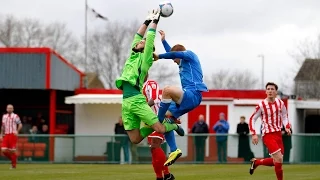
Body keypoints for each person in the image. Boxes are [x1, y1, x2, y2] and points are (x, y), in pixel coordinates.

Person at [115, 9, 183, 145]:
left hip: (136, 99)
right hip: (126, 101)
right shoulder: (133, 54)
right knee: (134, 139)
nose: (140, 41)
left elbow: (150, 37)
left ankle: (174, 126)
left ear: (148, 49)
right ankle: (147, 126)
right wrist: (147, 20)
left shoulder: (146, 59)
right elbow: (137, 36)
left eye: (143, 41)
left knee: (160, 129)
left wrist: (155, 21)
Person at [153, 30, 208, 166]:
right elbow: (173, 53)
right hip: (188, 98)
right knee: (166, 115)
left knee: (166, 91)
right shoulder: (181, 60)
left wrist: (159, 56)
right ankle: (174, 149)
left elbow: (175, 53)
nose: (174, 62)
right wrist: (164, 41)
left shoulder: (190, 55)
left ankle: (158, 123)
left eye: (175, 60)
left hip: (193, 94)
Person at [248, 82, 291, 180]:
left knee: (277, 161)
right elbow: (252, 119)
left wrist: (287, 127)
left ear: (276, 92)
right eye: (268, 89)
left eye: (272, 89)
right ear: (266, 91)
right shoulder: (262, 105)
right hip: (268, 134)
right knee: (279, 158)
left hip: (278, 134)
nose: (270, 91)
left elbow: (284, 116)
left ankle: (257, 162)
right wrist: (253, 134)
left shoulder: (280, 103)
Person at [143, 75, 175, 180]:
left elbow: (155, 99)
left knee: (154, 146)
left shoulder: (150, 84)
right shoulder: (138, 88)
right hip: (148, 121)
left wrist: (141, 109)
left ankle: (164, 175)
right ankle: (163, 175)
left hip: (158, 118)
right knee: (153, 150)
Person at [0, 104, 22, 169]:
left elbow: (20, 124)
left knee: (12, 151)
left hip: (13, 134)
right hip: (6, 135)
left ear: (13, 109)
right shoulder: (4, 116)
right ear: (6, 109)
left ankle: (13, 165)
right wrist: (1, 134)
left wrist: (17, 131)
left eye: (11, 108)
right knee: (3, 150)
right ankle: (13, 160)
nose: (9, 109)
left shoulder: (15, 116)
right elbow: (3, 126)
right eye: (8, 108)